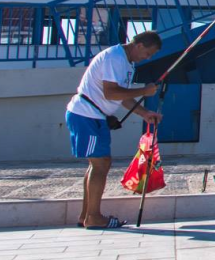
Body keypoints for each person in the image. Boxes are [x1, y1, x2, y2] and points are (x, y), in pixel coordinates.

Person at [64, 31, 164, 229]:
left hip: (95, 117)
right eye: (148, 54)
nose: (147, 58)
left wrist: (144, 113)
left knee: (98, 164)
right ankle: (93, 217)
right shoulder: (115, 58)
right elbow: (111, 93)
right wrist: (144, 91)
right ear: (139, 45)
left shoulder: (126, 62)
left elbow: (122, 96)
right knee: (100, 163)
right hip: (86, 116)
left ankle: (86, 215)